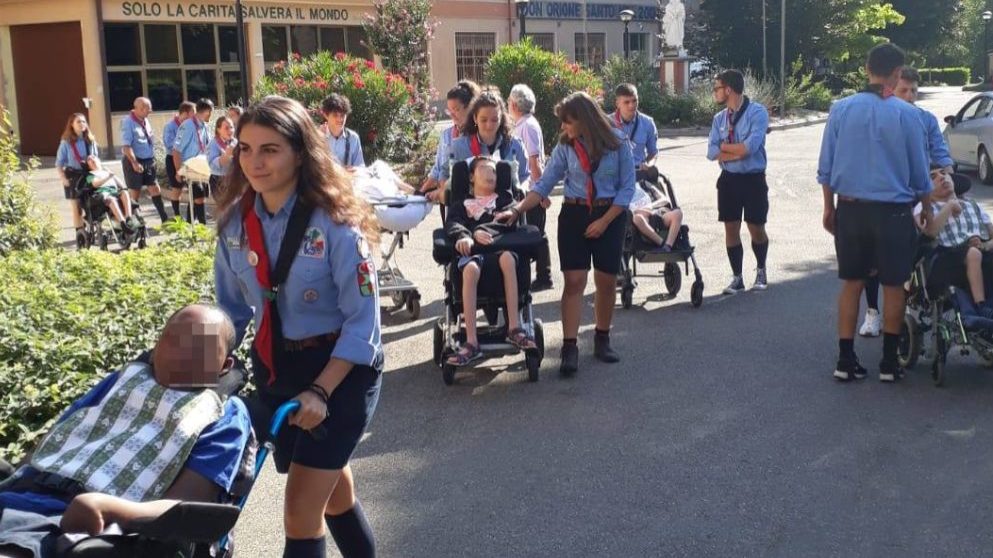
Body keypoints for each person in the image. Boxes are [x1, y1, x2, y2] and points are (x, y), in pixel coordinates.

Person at [214, 95, 383, 558]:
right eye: (245, 149)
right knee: (335, 494)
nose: (255, 161)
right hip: (277, 366)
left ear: (300, 153)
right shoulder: (235, 225)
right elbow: (230, 312)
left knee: (300, 511)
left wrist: (321, 391)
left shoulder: (336, 223)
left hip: (340, 371)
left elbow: (363, 324)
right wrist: (193, 365)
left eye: (270, 149)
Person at [0, 304, 253, 558]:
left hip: (85, 523)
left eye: (200, 347)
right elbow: (61, 435)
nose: (183, 352)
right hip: (24, 491)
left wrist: (109, 507)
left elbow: (184, 506)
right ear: (155, 348)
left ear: (224, 365)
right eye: (173, 338)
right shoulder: (123, 381)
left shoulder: (225, 413)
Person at [497, 92, 636, 375]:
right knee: (574, 281)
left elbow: (627, 189)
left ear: (585, 120)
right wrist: (517, 209)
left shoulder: (618, 143)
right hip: (575, 215)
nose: (563, 127)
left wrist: (604, 221)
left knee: (606, 281)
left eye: (567, 122)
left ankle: (602, 339)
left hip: (610, 215)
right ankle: (569, 348)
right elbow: (545, 183)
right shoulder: (565, 146)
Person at [818, 42, 932, 383]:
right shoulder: (909, 115)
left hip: (851, 209)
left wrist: (828, 207)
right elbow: (920, 174)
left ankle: (845, 359)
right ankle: (889, 362)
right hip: (894, 213)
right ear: (897, 73)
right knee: (894, 285)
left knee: (852, 283)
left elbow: (826, 167)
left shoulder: (840, 109)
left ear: (867, 69)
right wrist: (926, 208)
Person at [859, 66, 957, 337]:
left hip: (919, 192)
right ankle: (872, 312)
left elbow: (941, 154)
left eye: (914, 90)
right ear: (891, 89)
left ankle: (913, 299)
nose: (910, 95)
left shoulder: (925, 119)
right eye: (904, 90)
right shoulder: (878, 118)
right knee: (874, 257)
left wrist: (949, 182)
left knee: (922, 249)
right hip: (885, 194)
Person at [445, 157, 537, 366]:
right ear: (471, 177)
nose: (491, 174)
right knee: (470, 268)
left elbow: (509, 222)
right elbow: (453, 224)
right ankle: (471, 342)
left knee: (508, 258)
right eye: (485, 169)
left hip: (501, 251)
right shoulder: (462, 204)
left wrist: (481, 230)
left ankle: (514, 328)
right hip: (474, 255)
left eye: (494, 171)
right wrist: (465, 236)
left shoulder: (505, 202)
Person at [706, 69, 772, 294]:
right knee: (731, 227)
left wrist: (725, 148)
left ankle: (761, 271)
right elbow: (711, 152)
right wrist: (736, 152)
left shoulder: (757, 113)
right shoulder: (719, 119)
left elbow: (749, 148)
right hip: (729, 180)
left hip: (753, 179)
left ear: (728, 90)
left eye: (716, 88)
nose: (714, 92)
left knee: (756, 227)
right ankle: (737, 278)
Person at [916, 170, 993, 318]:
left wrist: (985, 245)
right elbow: (930, 232)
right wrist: (949, 205)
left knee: (978, 253)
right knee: (973, 254)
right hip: (945, 260)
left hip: (979, 256)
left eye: (944, 173)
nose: (941, 177)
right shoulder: (924, 208)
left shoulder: (972, 205)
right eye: (933, 177)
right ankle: (981, 307)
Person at [441, 91, 530, 199]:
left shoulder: (515, 145)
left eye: (494, 120)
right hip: (468, 207)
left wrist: (522, 190)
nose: (489, 125)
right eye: (483, 120)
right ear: (475, 118)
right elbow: (444, 175)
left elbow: (525, 176)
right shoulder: (458, 147)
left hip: (506, 206)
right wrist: (447, 195)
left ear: (501, 118)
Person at [509, 83, 553, 292]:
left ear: (515, 104)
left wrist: (542, 192)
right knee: (533, 230)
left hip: (533, 188)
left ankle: (544, 276)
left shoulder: (527, 126)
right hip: (530, 188)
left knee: (537, 232)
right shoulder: (524, 124)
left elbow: (533, 161)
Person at [420, 80, 481, 204]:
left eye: (456, 110)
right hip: (449, 198)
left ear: (470, 107)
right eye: (449, 111)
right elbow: (438, 168)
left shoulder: (479, 135)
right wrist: (421, 193)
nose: (452, 115)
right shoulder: (447, 135)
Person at [120, 97, 169, 223]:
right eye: (148, 109)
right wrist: (134, 162)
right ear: (140, 109)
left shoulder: (145, 120)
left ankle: (164, 219)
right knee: (135, 192)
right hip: (134, 161)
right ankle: (133, 221)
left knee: (155, 188)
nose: (150, 111)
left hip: (148, 160)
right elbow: (126, 146)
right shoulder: (128, 123)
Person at [173, 98, 214, 225]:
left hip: (203, 167)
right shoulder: (187, 126)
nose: (211, 115)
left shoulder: (205, 126)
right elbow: (176, 150)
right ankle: (203, 227)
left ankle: (189, 225)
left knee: (196, 198)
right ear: (206, 111)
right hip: (191, 167)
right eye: (211, 112)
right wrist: (178, 171)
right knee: (199, 197)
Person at [55, 113, 97, 236]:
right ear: (72, 125)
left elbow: (96, 159)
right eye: (78, 122)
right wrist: (63, 178)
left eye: (83, 121)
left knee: (93, 202)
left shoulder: (90, 140)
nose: (82, 124)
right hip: (73, 176)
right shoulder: (66, 142)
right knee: (76, 206)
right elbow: (59, 163)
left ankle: (91, 224)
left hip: (88, 174)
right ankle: (80, 233)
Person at [612, 83, 660, 180]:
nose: (632, 105)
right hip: (615, 176)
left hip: (638, 173)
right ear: (617, 104)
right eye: (626, 102)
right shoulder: (607, 123)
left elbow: (653, 152)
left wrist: (649, 164)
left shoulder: (648, 123)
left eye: (634, 101)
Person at [82, 156, 139, 233]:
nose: (92, 159)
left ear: (99, 160)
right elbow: (95, 184)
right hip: (104, 193)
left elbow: (122, 185)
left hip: (115, 191)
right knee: (111, 199)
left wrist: (112, 174)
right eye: (89, 159)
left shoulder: (106, 171)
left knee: (124, 192)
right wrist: (108, 177)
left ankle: (129, 218)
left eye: (94, 157)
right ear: (88, 166)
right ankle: (122, 222)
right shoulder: (90, 175)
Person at [162, 101, 196, 220]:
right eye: (193, 112)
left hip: (189, 159)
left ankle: (191, 218)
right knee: (177, 189)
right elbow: (170, 144)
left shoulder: (191, 125)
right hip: (173, 159)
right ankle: (177, 216)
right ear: (185, 113)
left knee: (194, 188)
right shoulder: (170, 126)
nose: (195, 115)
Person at [629, 182, 683, 251]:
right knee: (637, 218)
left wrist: (650, 210)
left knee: (678, 213)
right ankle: (662, 244)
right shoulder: (620, 192)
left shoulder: (643, 184)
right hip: (639, 219)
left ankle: (668, 245)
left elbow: (664, 200)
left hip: (656, 212)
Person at [320, 94, 365, 169]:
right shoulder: (317, 136)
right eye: (335, 115)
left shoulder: (353, 138)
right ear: (326, 115)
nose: (340, 119)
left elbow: (360, 167)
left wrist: (355, 170)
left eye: (342, 115)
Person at [207, 116, 237, 200]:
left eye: (231, 127)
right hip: (219, 180)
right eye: (226, 128)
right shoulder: (213, 144)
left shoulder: (235, 142)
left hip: (233, 178)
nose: (230, 130)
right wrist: (227, 154)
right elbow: (214, 164)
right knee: (224, 206)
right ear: (218, 130)